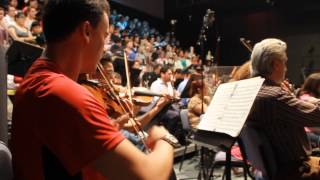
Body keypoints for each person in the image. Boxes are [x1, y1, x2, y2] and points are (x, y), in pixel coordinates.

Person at [11, 1, 176, 179]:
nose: (104, 47)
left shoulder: (36, 78)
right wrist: (164, 139)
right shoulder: (62, 93)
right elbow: (150, 176)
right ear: (87, 31)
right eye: (104, 36)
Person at [248, 38, 320, 179]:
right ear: (275, 64)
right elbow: (317, 116)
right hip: (294, 169)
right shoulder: (274, 96)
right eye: (285, 62)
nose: (286, 68)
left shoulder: (251, 91)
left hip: (271, 169)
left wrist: (292, 97)